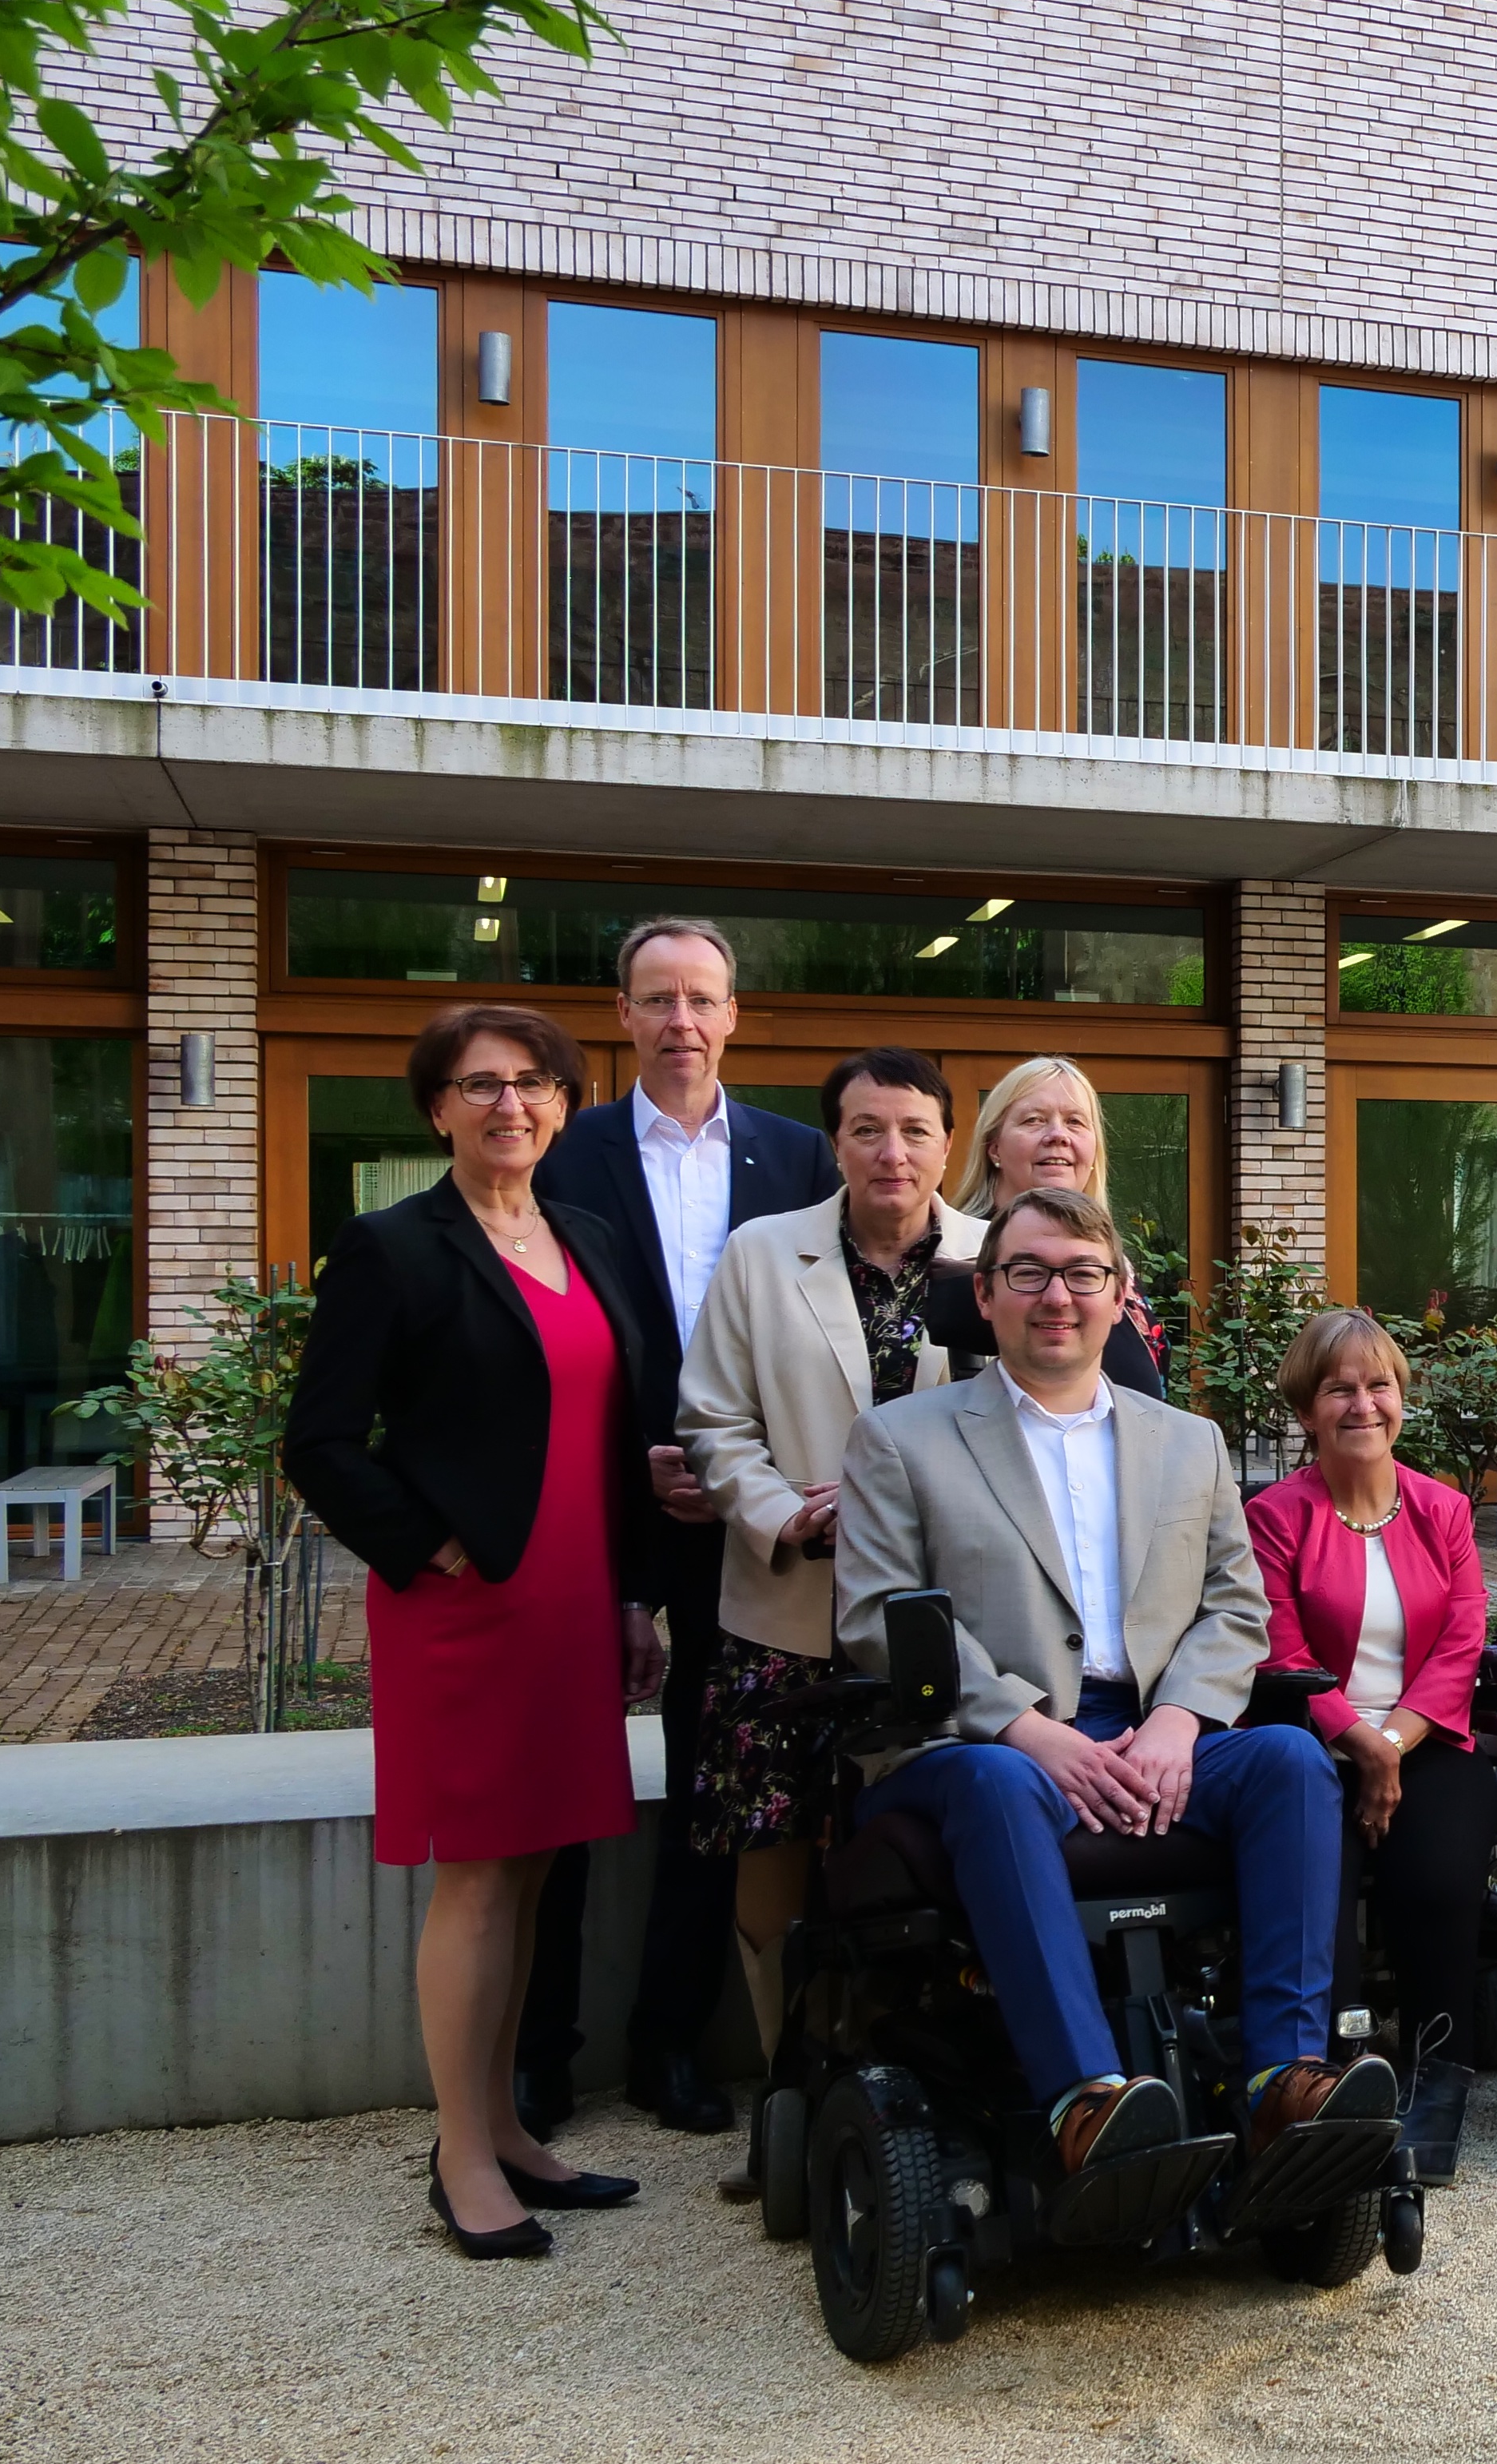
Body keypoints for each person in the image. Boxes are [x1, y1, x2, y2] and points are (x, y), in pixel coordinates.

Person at [832, 1187, 1393, 2175]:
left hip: (1151, 1734)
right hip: (974, 1747)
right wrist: (1030, 1729)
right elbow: (880, 1614)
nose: (1059, 1295)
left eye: (1084, 1274)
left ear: (1120, 1296)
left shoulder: (1187, 1442)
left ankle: (1281, 2084)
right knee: (1003, 1782)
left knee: (1289, 1763)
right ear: (990, 1294)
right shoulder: (903, 1439)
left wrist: (1179, 1720)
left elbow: (1237, 1608)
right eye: (1030, 1273)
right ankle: (1086, 2104)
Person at [284, 1003, 667, 2257]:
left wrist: (631, 1593)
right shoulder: (393, 1246)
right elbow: (321, 1443)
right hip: (464, 1605)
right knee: (478, 1874)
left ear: (565, 1102)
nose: (511, 1104)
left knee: (541, 1864)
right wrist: (430, 1543)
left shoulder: (593, 1233)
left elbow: (616, 1431)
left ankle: (503, 2126)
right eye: (481, 1084)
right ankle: (461, 2156)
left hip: (573, 1594)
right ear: (436, 1107)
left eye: (535, 1083)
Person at [517, 917, 836, 2144]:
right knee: (567, 1792)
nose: (681, 1021)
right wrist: (626, 1463)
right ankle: (544, 2055)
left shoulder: (800, 1154)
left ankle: (669, 2042)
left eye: (702, 998)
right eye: (658, 999)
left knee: (717, 1788)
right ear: (624, 1013)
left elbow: (823, 1333)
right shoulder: (567, 1154)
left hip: (743, 1525)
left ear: (734, 1013)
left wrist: (746, 1470)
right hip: (593, 1514)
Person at [674, 1045, 986, 2067]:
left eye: (914, 1130)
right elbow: (714, 1421)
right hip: (789, 1600)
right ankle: (791, 2083)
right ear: (835, 1142)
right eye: (866, 1129)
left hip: (956, 1616)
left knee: (932, 1831)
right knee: (771, 1833)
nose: (890, 1152)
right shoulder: (763, 1253)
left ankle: (921, 2066)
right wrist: (790, 1514)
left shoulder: (999, 1257)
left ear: (949, 1142)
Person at [1245, 1309, 1497, 2187]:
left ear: (1402, 1400)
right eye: (1339, 1388)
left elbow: (1463, 1641)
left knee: (1435, 1876)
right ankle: (1320, 2085)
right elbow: (1279, 1649)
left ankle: (1438, 2082)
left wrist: (1393, 1742)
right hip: (1309, 1741)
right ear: (1307, 1409)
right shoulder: (1274, 1517)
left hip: (1429, 1737)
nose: (1363, 1403)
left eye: (1378, 1384)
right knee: (1317, 1883)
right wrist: (1359, 1742)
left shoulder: (1445, 1510)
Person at [932, 1053, 1169, 1398]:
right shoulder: (953, 1260)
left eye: (1075, 1122)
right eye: (1034, 1120)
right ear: (994, 1147)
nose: (1058, 1135)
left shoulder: (1120, 1266)